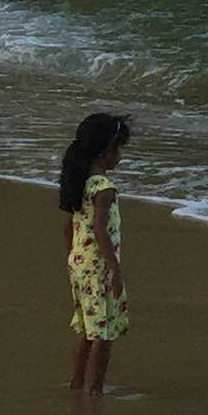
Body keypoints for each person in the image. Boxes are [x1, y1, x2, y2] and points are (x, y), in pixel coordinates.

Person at [51, 110, 137, 398]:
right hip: (98, 266)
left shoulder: (79, 185)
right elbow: (101, 231)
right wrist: (115, 269)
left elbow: (69, 228)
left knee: (87, 330)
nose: (120, 156)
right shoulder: (104, 188)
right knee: (104, 333)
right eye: (120, 148)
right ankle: (95, 389)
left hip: (79, 262)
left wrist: (71, 262)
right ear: (106, 151)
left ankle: (77, 383)